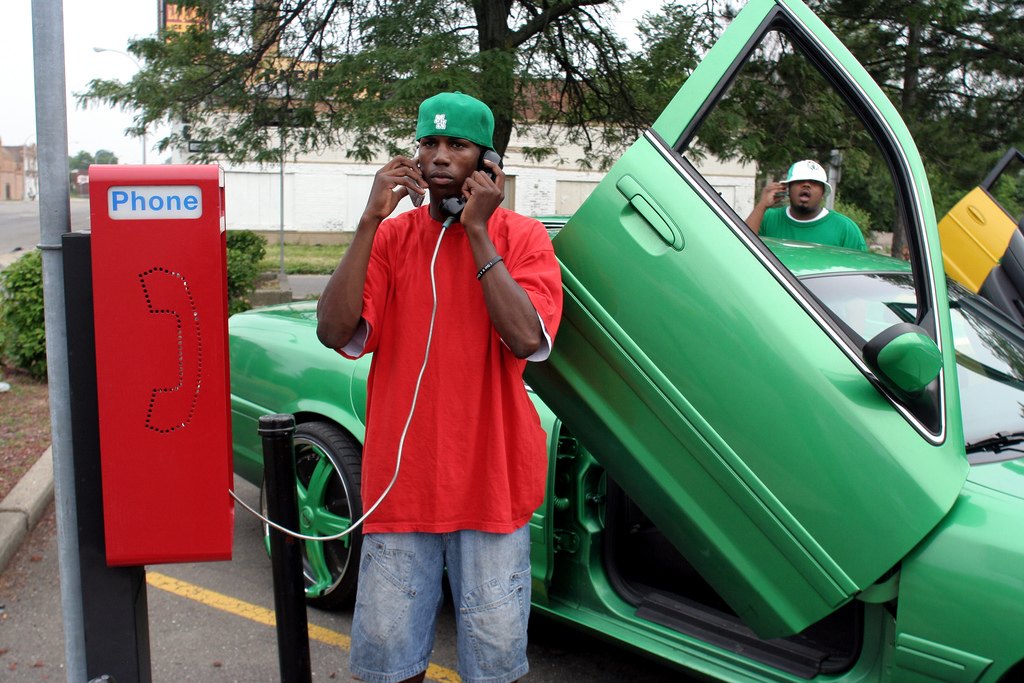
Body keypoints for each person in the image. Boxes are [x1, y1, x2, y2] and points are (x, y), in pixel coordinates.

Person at [315, 91, 563, 683]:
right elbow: (333, 328)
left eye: (458, 146)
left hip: (492, 490)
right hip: (402, 491)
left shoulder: (523, 237)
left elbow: (526, 338)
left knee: (494, 666)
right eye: (429, 143)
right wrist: (369, 220)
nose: (439, 157)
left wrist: (478, 233)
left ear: (488, 162)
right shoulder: (394, 239)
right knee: (388, 665)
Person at [745, 159, 867, 251]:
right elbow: (740, 248)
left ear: (823, 192)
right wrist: (761, 206)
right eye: (799, 181)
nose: (806, 185)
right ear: (787, 188)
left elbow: (860, 275)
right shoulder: (767, 218)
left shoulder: (845, 229)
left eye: (814, 182)